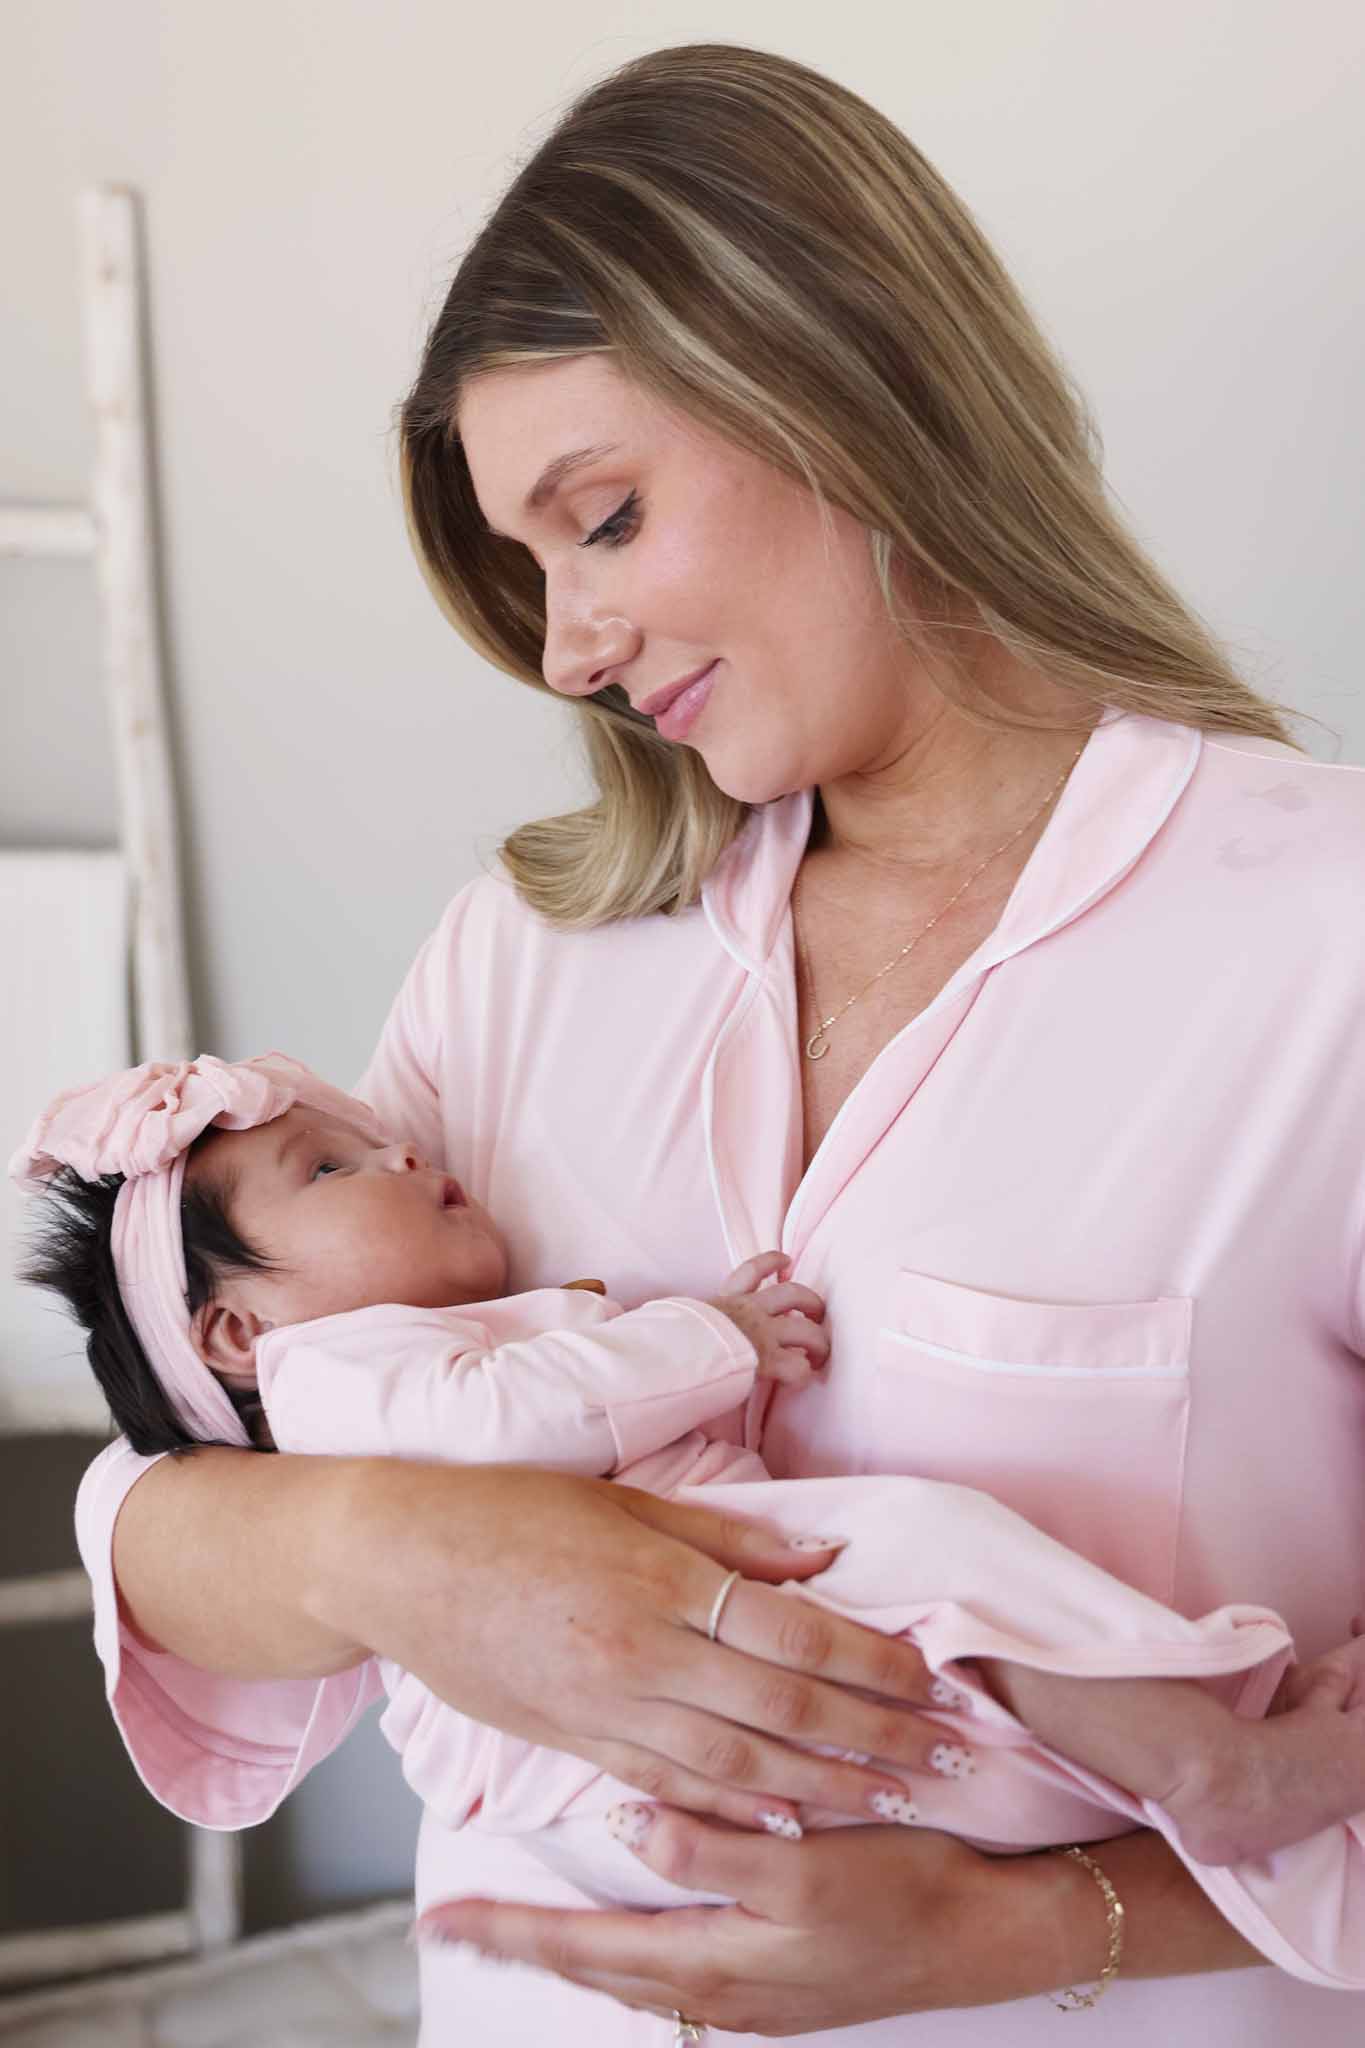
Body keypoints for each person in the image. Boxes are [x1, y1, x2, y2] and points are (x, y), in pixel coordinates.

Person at [70, 39, 1365, 2046]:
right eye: (523, 569)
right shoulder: (526, 962)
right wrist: (402, 1549)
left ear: (837, 385)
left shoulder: (1314, 942)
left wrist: (1025, 1933)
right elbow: (179, 1492)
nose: (563, 646)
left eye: (599, 520)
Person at [26, 1051, 1365, 1904]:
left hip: (686, 1649)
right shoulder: (345, 1383)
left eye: (373, 1139)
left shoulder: (413, 1346)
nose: (405, 1156)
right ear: (235, 1337)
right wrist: (711, 1336)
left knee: (954, 1640)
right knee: (928, 1550)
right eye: (332, 1169)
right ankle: (1212, 1759)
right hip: (602, 1740)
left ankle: (1204, 1739)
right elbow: (503, 1428)